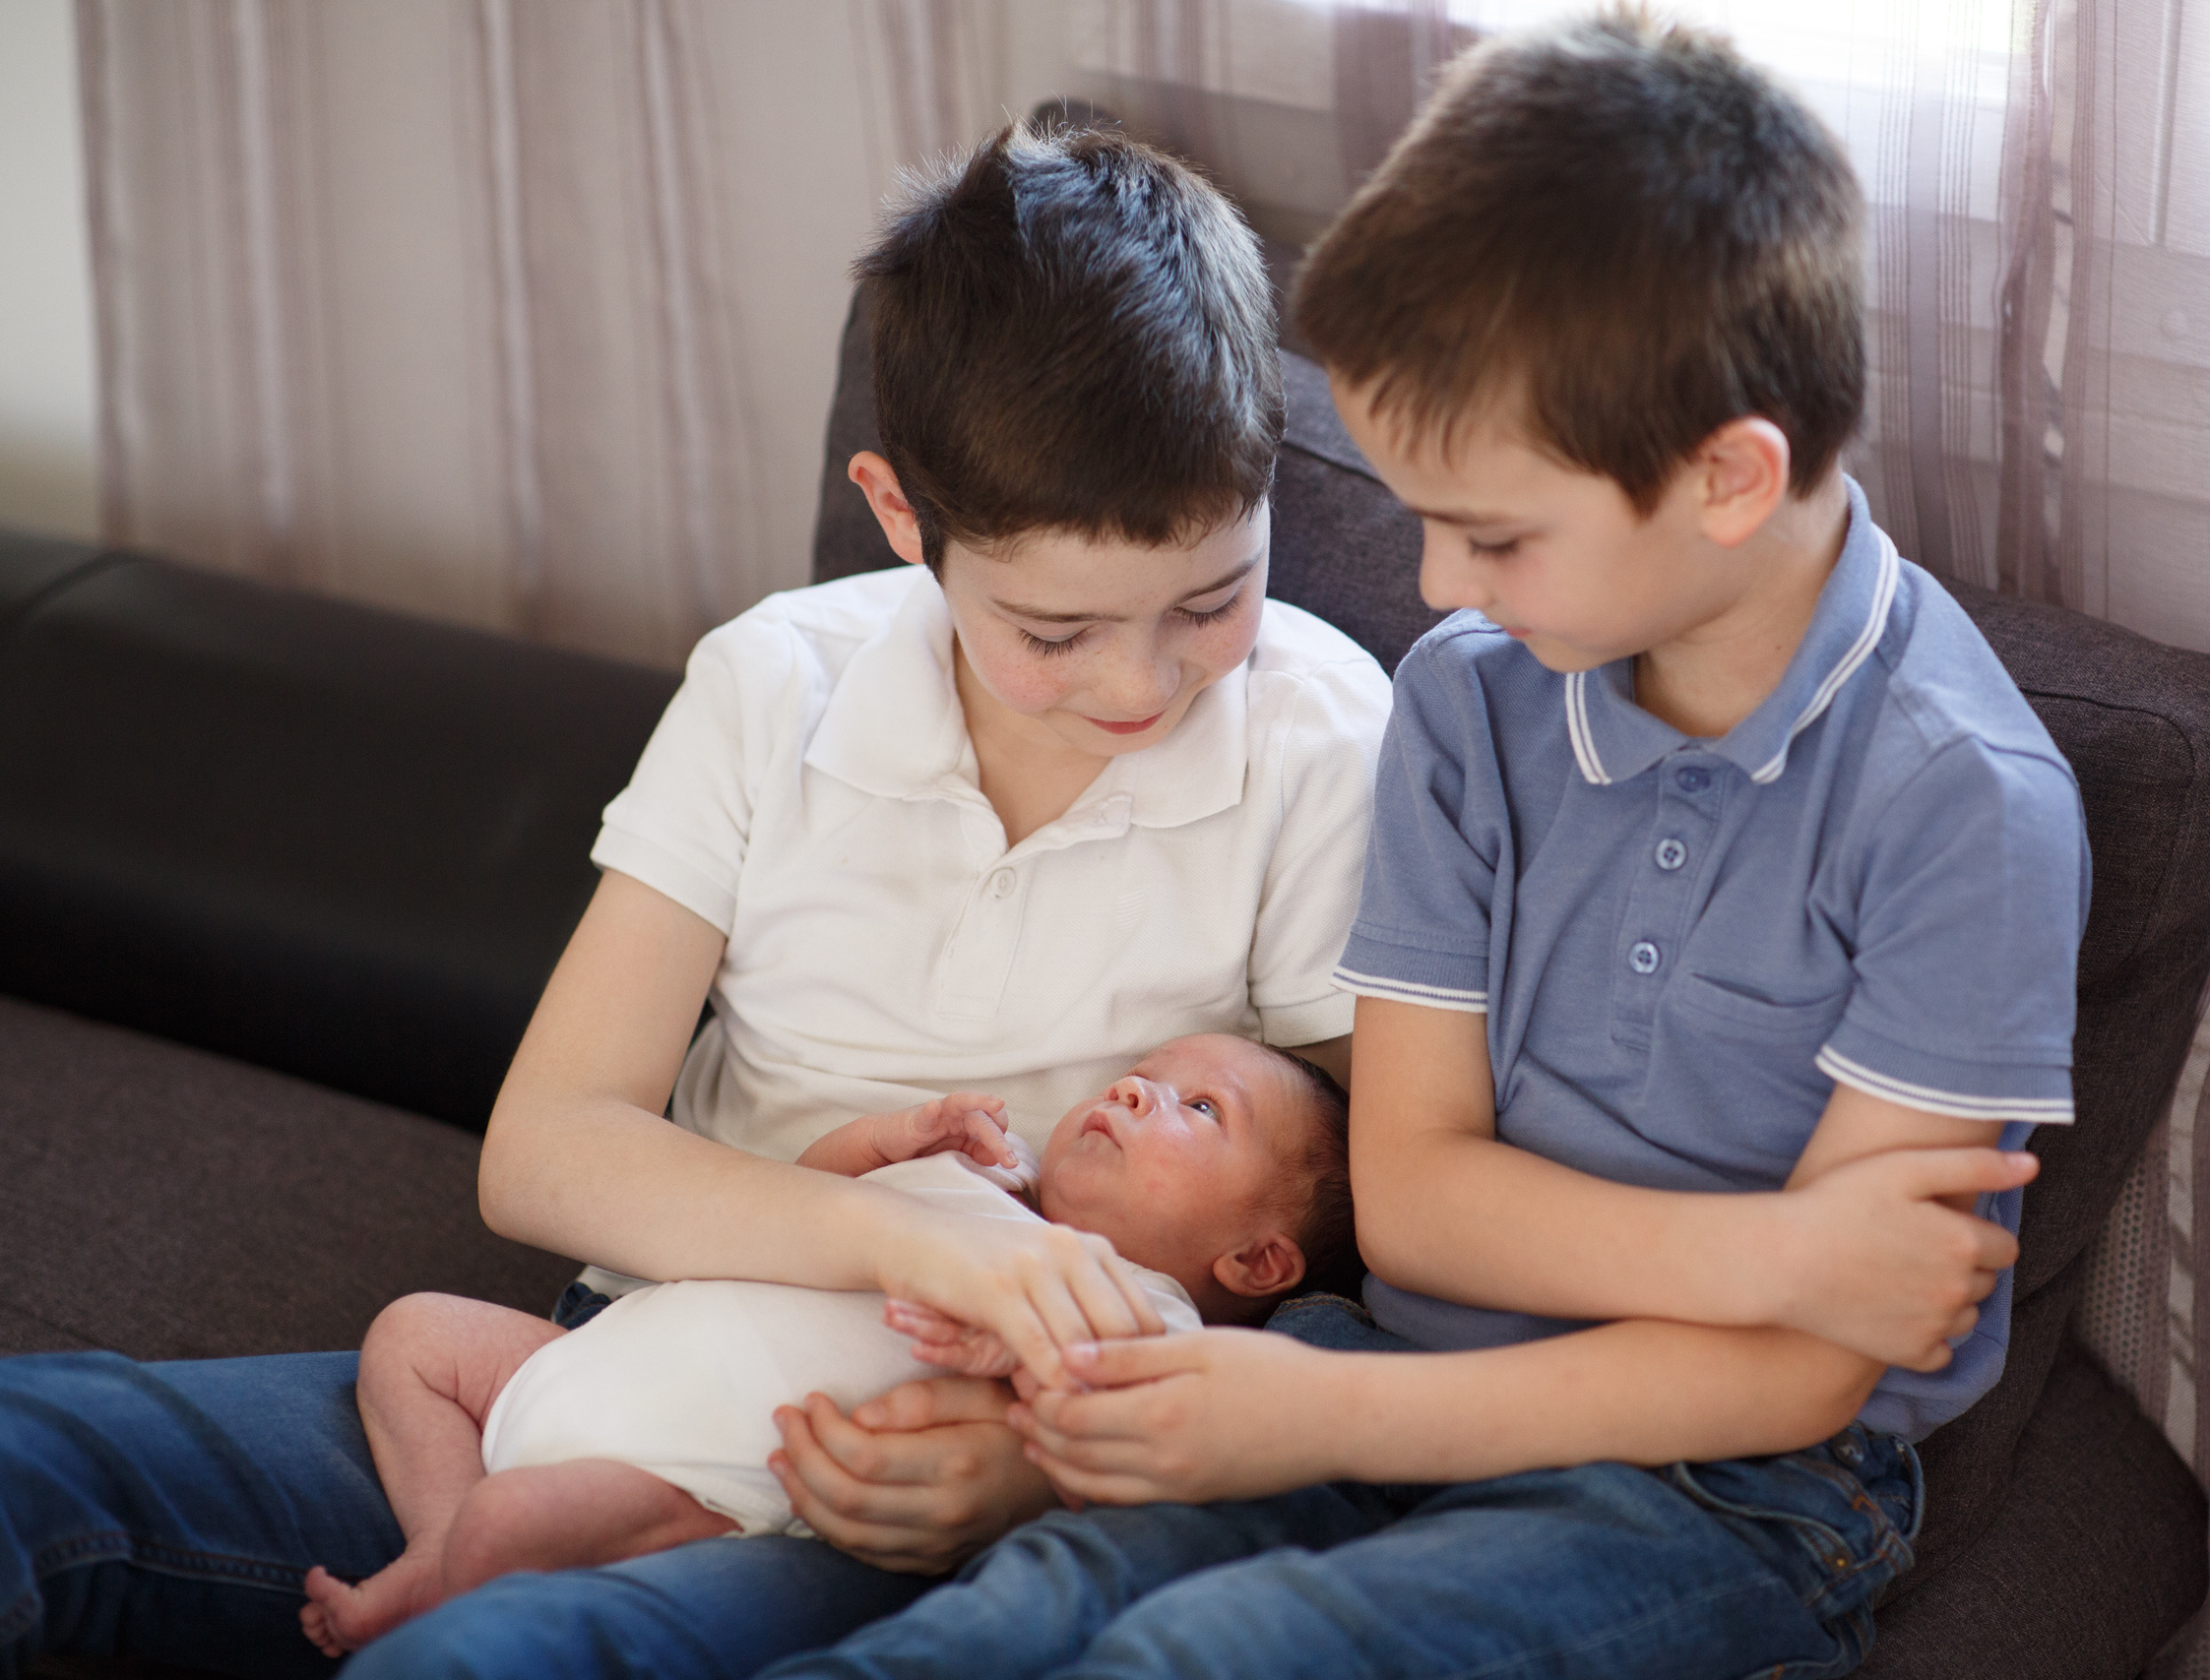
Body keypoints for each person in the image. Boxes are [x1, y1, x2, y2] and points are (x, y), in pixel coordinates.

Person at [763, 15, 2088, 1680]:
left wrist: (1331, 1405)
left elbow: (1819, 1359)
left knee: (1212, 1652)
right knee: (997, 1621)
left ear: (1731, 479)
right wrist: (1773, 1252)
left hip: (1721, 1480)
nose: (1440, 589)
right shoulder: (1476, 702)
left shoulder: (1967, 811)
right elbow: (1416, 1200)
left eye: (1493, 533)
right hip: (1376, 1352)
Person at [0, 123, 1392, 1680]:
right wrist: (899, 1238)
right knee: (32, 1451)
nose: (1144, 682)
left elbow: (1347, 1235)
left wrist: (1044, 1465)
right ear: (896, 509)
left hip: (888, 1472)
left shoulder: (1320, 739)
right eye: (1055, 630)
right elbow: (546, 1151)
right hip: (625, 1355)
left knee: (502, 1654)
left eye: (1212, 597)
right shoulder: (773, 681)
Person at [297, 1035, 1354, 1657]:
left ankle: (477, 1556)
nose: (1134, 1090)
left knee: (507, 1527)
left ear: (1256, 1265)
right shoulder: (980, 1186)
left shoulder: (1147, 1305)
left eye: (1198, 1107)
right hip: (590, 1355)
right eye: (1139, 1073)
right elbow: (801, 1200)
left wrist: (1009, 1357)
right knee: (415, 1336)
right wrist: (885, 1147)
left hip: (689, 1470)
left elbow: (1120, 1420)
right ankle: (430, 1545)